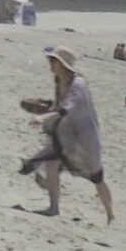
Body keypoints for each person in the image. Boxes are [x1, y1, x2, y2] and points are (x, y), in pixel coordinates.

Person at [18, 48, 114, 223]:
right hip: (66, 134)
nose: (51, 65)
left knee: (97, 177)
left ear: (63, 66)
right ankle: (53, 207)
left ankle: (110, 214)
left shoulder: (78, 84)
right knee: (51, 164)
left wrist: (42, 117)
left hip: (85, 137)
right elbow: (58, 105)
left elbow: (66, 108)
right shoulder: (58, 80)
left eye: (54, 62)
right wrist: (43, 105)